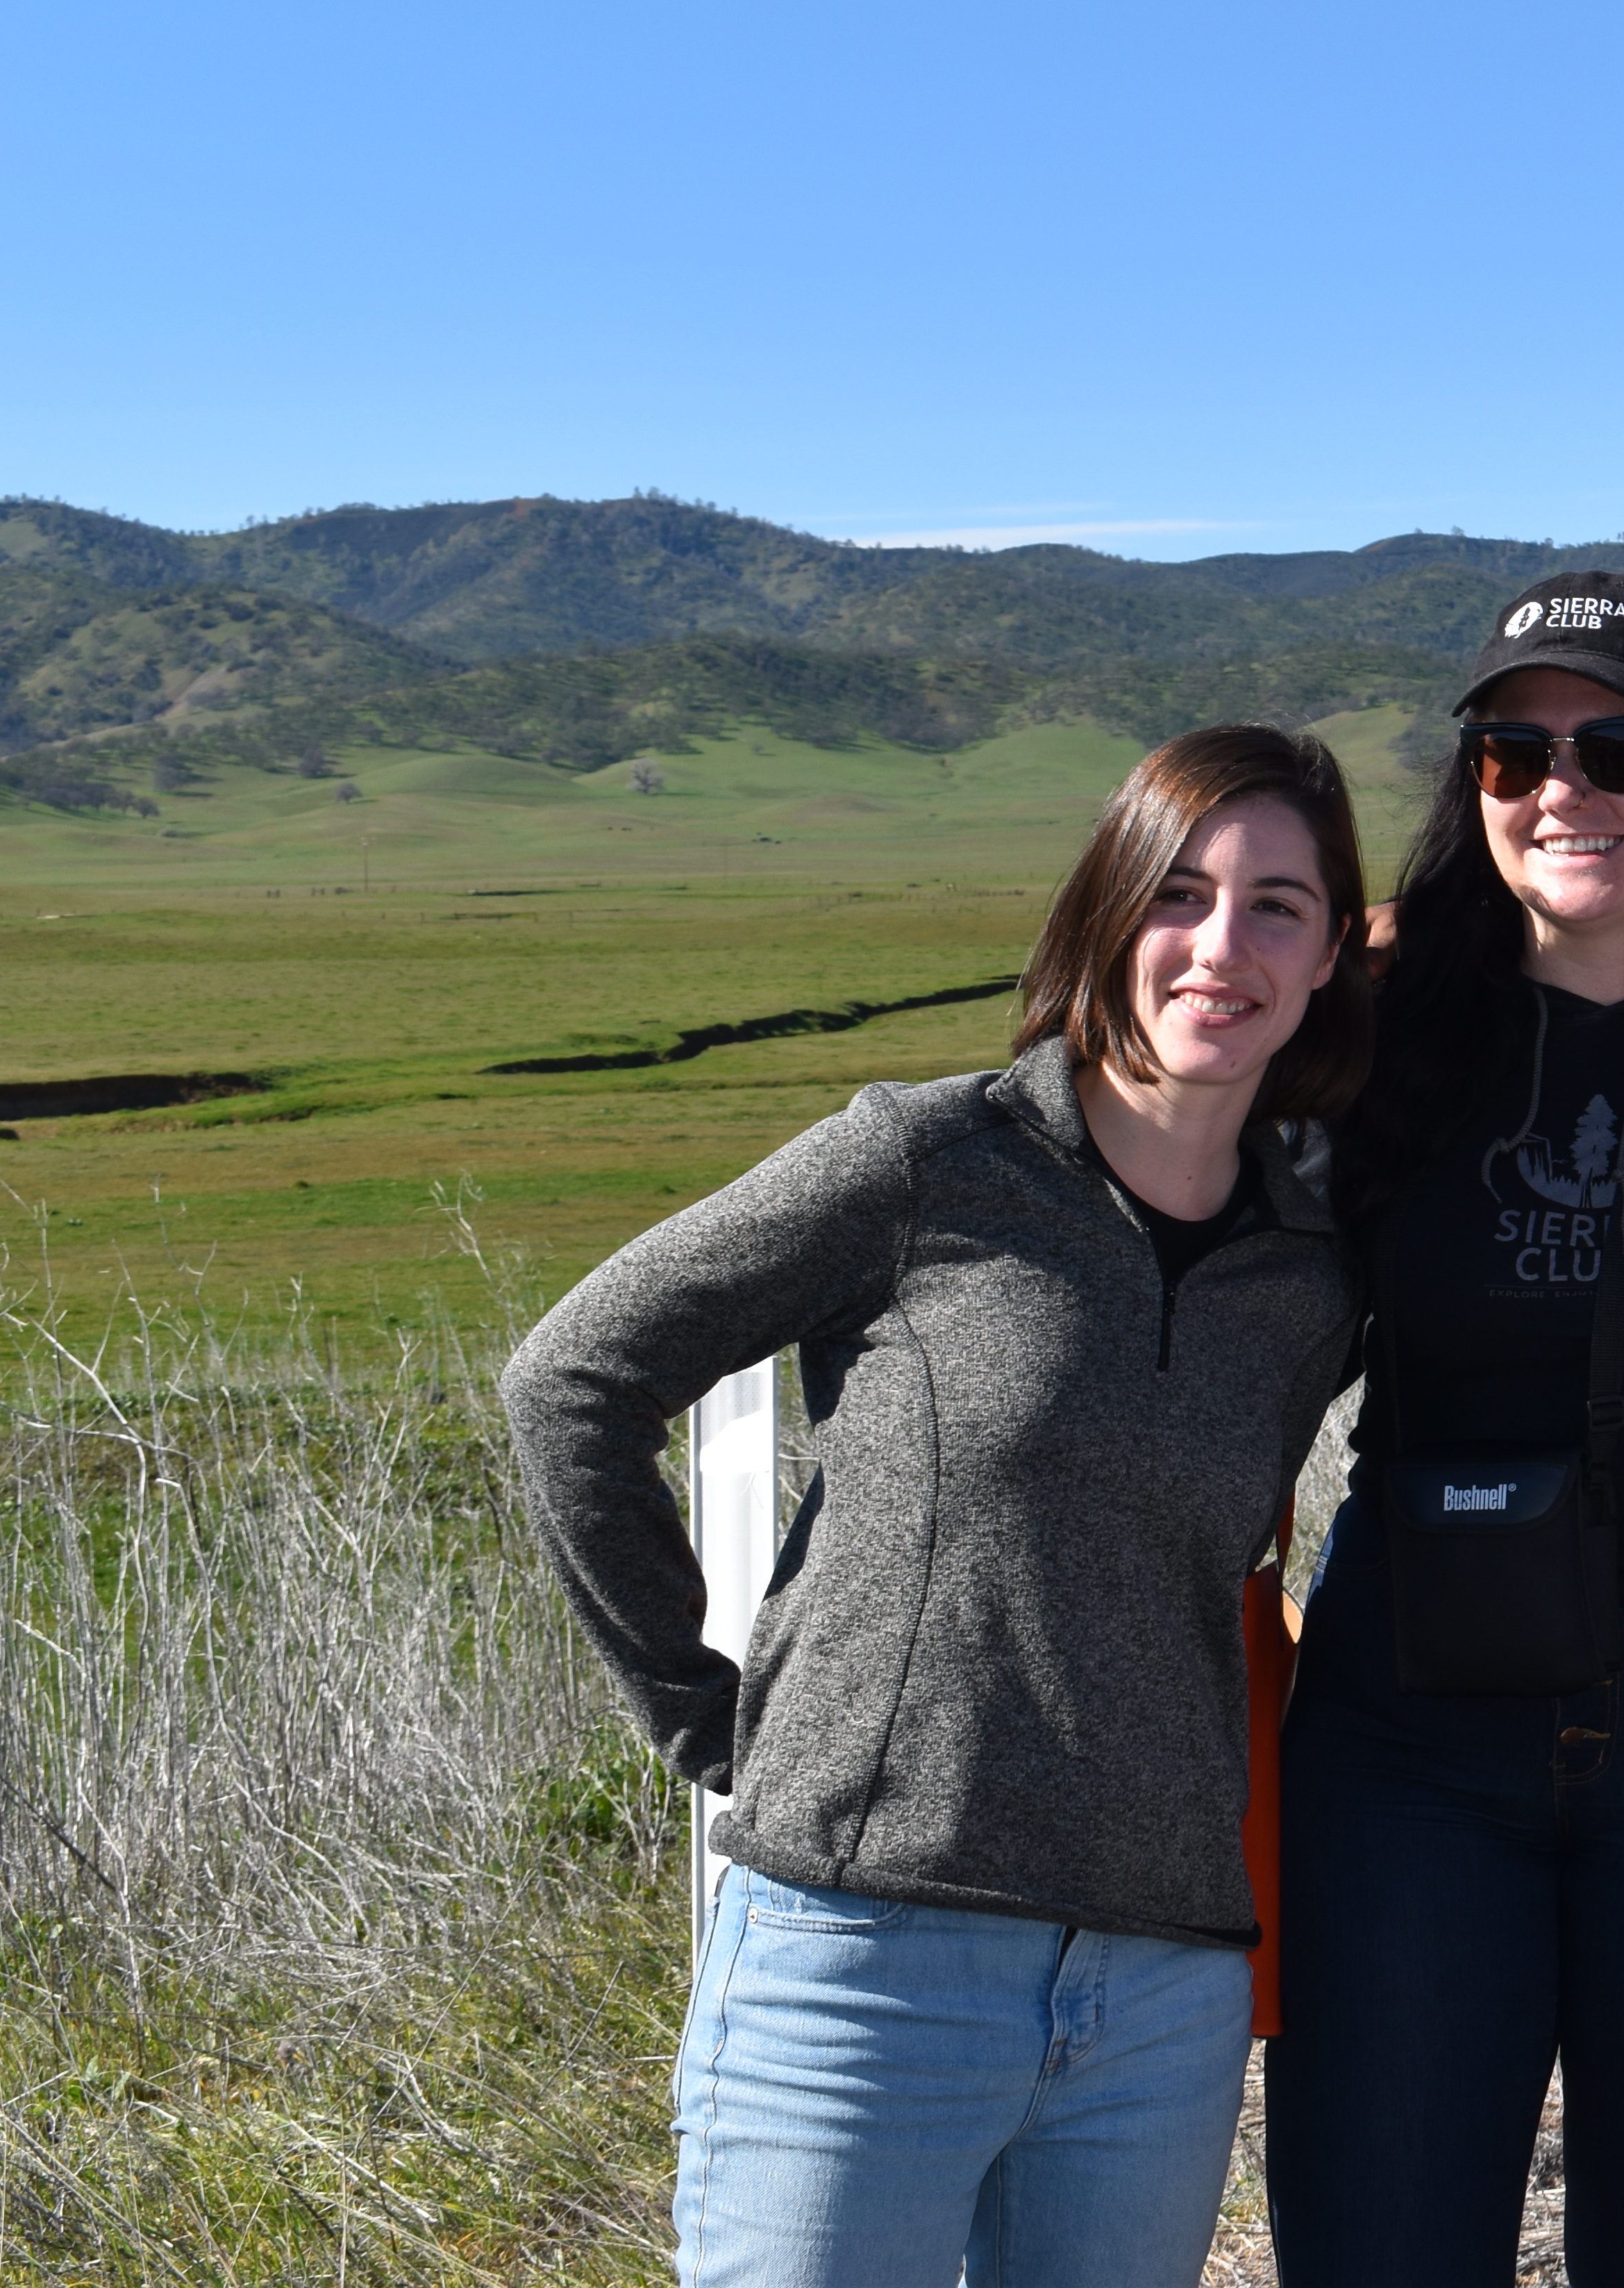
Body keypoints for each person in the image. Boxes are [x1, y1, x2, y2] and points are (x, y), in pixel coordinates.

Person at [501, 724, 1375, 2288]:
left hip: (1159, 1996)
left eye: (1279, 906)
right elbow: (572, 1382)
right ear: (1105, 913)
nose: (1221, 945)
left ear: (1328, 959)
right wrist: (714, 1719)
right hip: (861, 1961)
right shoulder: (927, 1162)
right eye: (1179, 892)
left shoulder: (1315, 1269)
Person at [1264, 574, 1624, 2285]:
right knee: (1377, 2246)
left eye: (1619, 745)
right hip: (1409, 1732)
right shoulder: (1371, 1024)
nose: (1562, 791)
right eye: (1514, 752)